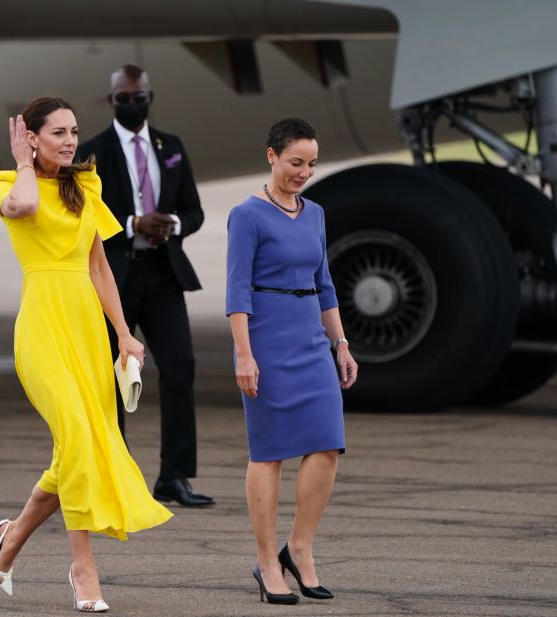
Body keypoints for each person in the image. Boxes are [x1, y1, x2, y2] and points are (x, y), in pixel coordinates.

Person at [0, 97, 171, 612]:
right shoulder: (5, 181)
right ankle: (82, 570)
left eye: (73, 131)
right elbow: (22, 208)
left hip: (86, 326)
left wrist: (124, 334)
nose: (70, 140)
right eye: (58, 132)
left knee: (77, 446)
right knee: (75, 434)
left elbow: (100, 270)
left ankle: (13, 536)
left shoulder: (86, 185)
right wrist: (23, 164)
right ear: (32, 137)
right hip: (42, 327)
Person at [225, 117, 358, 604]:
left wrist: (340, 343)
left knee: (327, 445)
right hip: (266, 336)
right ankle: (266, 563)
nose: (304, 172)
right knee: (270, 452)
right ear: (272, 157)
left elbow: (325, 284)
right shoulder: (247, 215)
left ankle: (299, 548)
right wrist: (244, 353)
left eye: (311, 164)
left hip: (309, 336)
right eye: (296, 162)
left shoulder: (316, 213)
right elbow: (237, 291)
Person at [76, 64, 214, 508]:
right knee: (112, 374)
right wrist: (134, 222)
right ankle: (118, 474)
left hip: (162, 272)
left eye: (138, 97)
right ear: (111, 100)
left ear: (149, 98)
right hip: (115, 275)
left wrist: (170, 224)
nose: (131, 104)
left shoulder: (169, 146)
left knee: (180, 367)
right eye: (123, 98)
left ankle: (174, 477)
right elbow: (83, 215)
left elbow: (193, 210)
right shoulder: (93, 150)